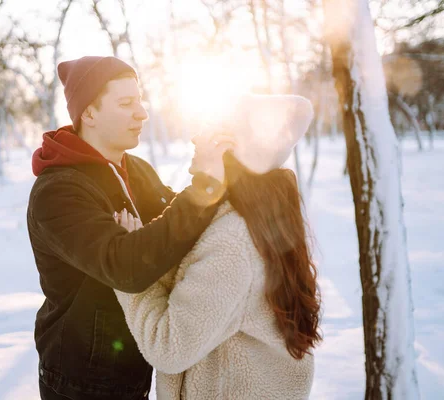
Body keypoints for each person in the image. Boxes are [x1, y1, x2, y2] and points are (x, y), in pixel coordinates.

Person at [26, 55, 233, 399]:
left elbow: (178, 227)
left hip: (133, 368)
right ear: (88, 113)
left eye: (139, 101)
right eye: (126, 103)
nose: (142, 113)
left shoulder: (134, 168)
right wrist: (205, 188)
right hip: (80, 380)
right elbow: (128, 268)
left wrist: (223, 173)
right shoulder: (58, 191)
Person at [115, 94, 322, 399]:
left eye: (211, 129)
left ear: (230, 149)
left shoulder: (233, 243)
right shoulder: (248, 219)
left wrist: (127, 269)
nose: (196, 136)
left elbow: (170, 346)